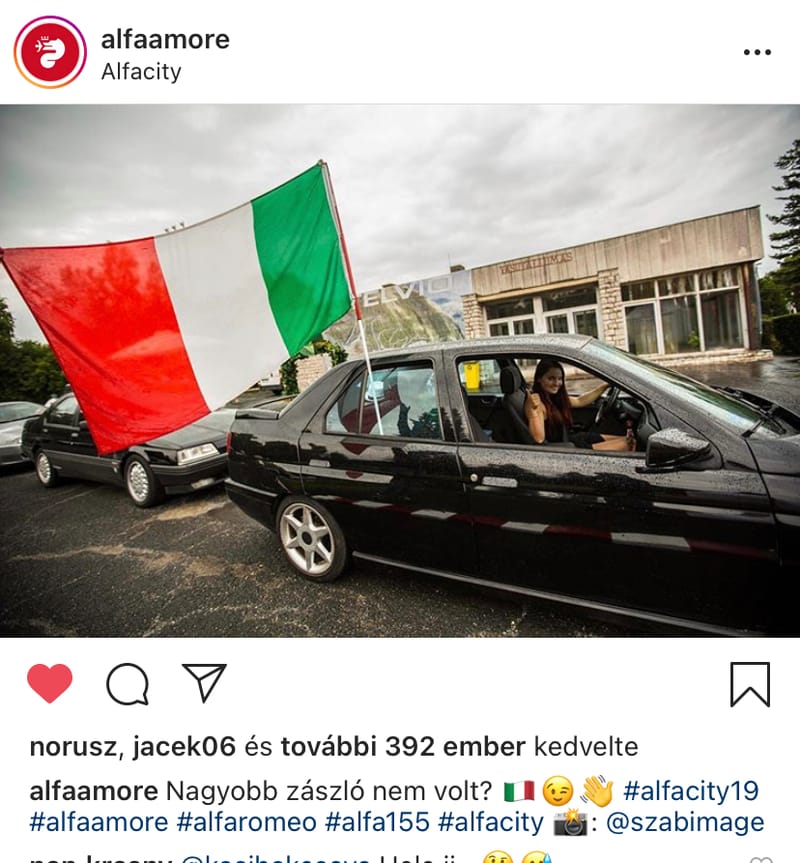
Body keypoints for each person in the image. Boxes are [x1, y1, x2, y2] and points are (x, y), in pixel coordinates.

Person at [524, 357, 631, 451]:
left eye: (560, 379)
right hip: (569, 449)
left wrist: (605, 386)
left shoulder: (554, 398)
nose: (557, 383)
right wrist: (532, 412)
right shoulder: (538, 405)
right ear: (539, 379)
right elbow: (539, 439)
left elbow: (580, 401)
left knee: (628, 439)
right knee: (630, 443)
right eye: (551, 378)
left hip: (573, 439)